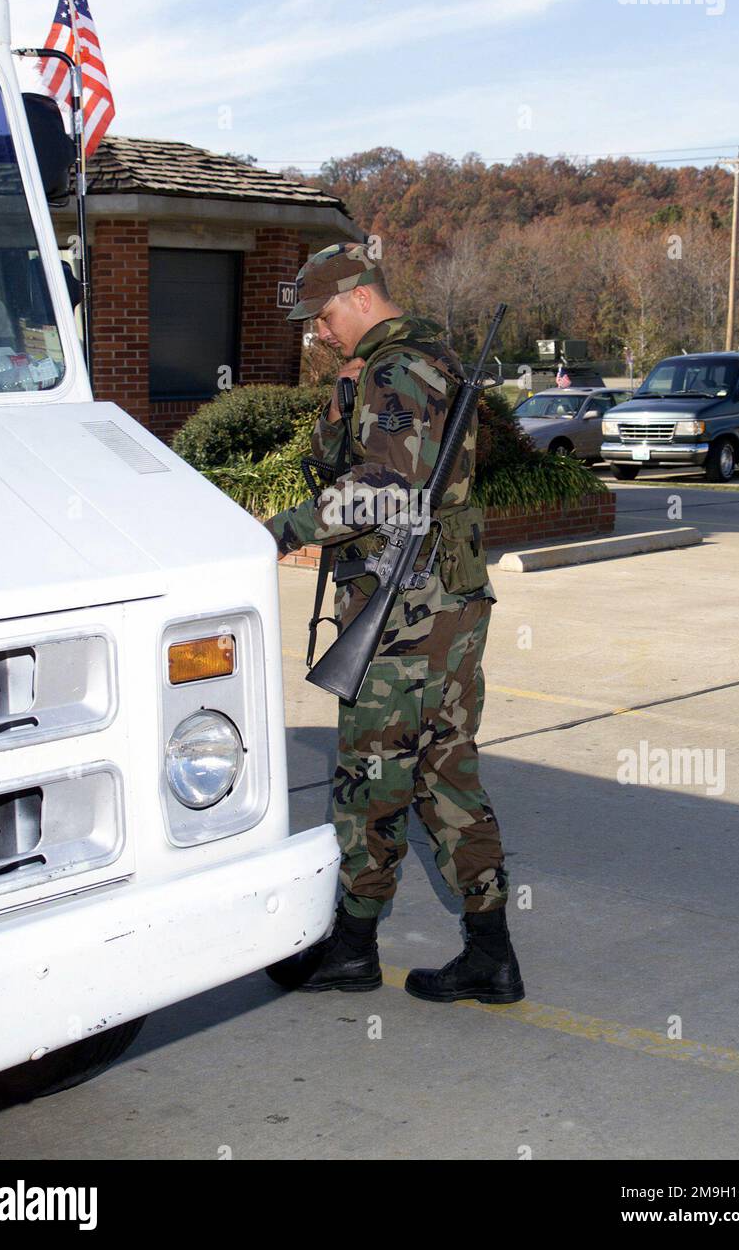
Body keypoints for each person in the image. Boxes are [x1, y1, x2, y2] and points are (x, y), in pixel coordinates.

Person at [263, 242, 524, 1005]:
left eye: (324, 316)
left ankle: (351, 947)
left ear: (360, 295)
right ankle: (490, 952)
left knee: (371, 774)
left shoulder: (395, 370)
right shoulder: (421, 361)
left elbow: (379, 489)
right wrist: (341, 400)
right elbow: (337, 460)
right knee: (446, 769)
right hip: (446, 603)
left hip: (405, 607)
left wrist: (277, 532)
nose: (319, 333)